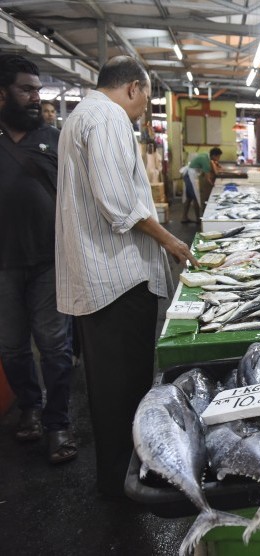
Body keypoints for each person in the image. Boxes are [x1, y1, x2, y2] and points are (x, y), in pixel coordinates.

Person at [55, 55, 199, 497]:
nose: (144, 111)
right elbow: (118, 203)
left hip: (101, 279)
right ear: (133, 88)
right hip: (117, 278)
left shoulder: (82, 115)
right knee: (125, 389)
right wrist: (170, 241)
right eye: (147, 99)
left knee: (110, 390)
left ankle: (118, 477)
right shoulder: (109, 117)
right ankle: (126, 483)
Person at [0, 54, 76, 464]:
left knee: (54, 345)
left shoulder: (53, 139)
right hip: (3, 265)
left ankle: (57, 422)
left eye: (37, 89)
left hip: (49, 260)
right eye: (26, 89)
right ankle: (29, 407)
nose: (35, 97)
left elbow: (73, 197)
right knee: (11, 347)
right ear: (2, 94)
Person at [182, 146, 222, 223]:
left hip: (188, 175)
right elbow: (207, 178)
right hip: (190, 176)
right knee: (195, 197)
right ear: (214, 155)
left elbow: (211, 168)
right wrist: (214, 186)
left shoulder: (206, 155)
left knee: (189, 197)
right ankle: (198, 219)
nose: (219, 159)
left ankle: (184, 217)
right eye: (218, 157)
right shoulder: (206, 161)